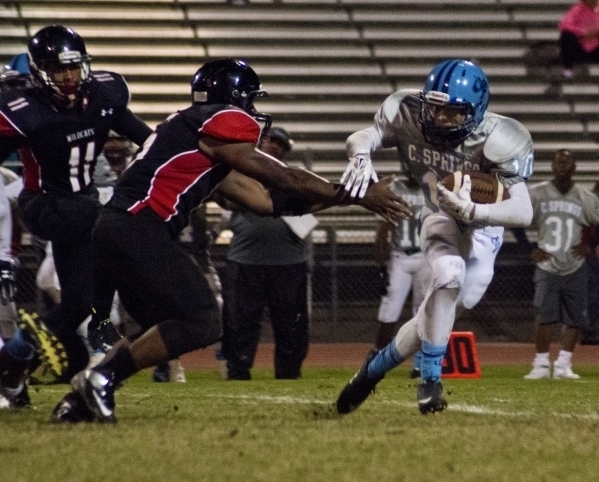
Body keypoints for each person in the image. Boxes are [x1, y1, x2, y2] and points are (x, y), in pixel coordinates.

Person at [49, 58, 410, 423]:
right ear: (233, 98)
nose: (252, 110)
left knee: (160, 326)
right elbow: (284, 178)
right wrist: (362, 193)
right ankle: (101, 377)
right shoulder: (215, 123)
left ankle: (80, 399)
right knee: (202, 320)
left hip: (117, 229)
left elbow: (265, 201)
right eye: (249, 100)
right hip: (137, 227)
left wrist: (348, 196)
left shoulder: (192, 140)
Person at [336, 58, 534, 415]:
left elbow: (524, 211)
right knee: (447, 274)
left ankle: (369, 374)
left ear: (475, 111)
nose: (440, 119)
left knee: (431, 317)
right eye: (436, 109)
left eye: (453, 113)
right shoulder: (405, 111)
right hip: (440, 214)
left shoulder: (501, 137)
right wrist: (361, 155)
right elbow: (363, 135)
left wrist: (474, 210)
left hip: (486, 228)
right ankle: (430, 382)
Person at [0, 25, 152, 405]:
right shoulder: (25, 111)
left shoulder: (103, 95)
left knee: (77, 305)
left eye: (72, 67)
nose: (68, 77)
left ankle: (12, 359)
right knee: (108, 220)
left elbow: (144, 137)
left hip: (80, 202)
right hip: (45, 204)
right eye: (56, 69)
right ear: (38, 72)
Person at [220, 126, 316, 380]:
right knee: (241, 322)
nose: (275, 147)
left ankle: (289, 371)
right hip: (245, 260)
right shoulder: (242, 173)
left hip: (289, 262)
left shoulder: (294, 177)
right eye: (271, 141)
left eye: (281, 145)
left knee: (291, 324)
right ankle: (238, 370)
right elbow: (226, 199)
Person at [523, 149, 599, 380]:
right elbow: (515, 220)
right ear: (551, 166)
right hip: (547, 264)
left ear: (575, 166)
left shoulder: (586, 197)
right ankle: (541, 364)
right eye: (558, 161)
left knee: (574, 318)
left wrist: (590, 245)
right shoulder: (537, 193)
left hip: (575, 264)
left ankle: (564, 365)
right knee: (544, 316)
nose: (562, 165)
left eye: (567, 161)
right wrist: (529, 248)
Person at [373, 172, 431, 379]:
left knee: (424, 312)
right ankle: (377, 358)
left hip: (426, 256)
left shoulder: (432, 188)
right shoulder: (395, 188)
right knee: (390, 309)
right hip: (400, 256)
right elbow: (383, 228)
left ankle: (421, 363)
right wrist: (382, 265)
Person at [558, 0, 599, 79]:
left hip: (596, 47)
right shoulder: (577, 10)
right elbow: (564, 25)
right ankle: (568, 69)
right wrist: (584, 32)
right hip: (580, 47)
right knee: (566, 35)